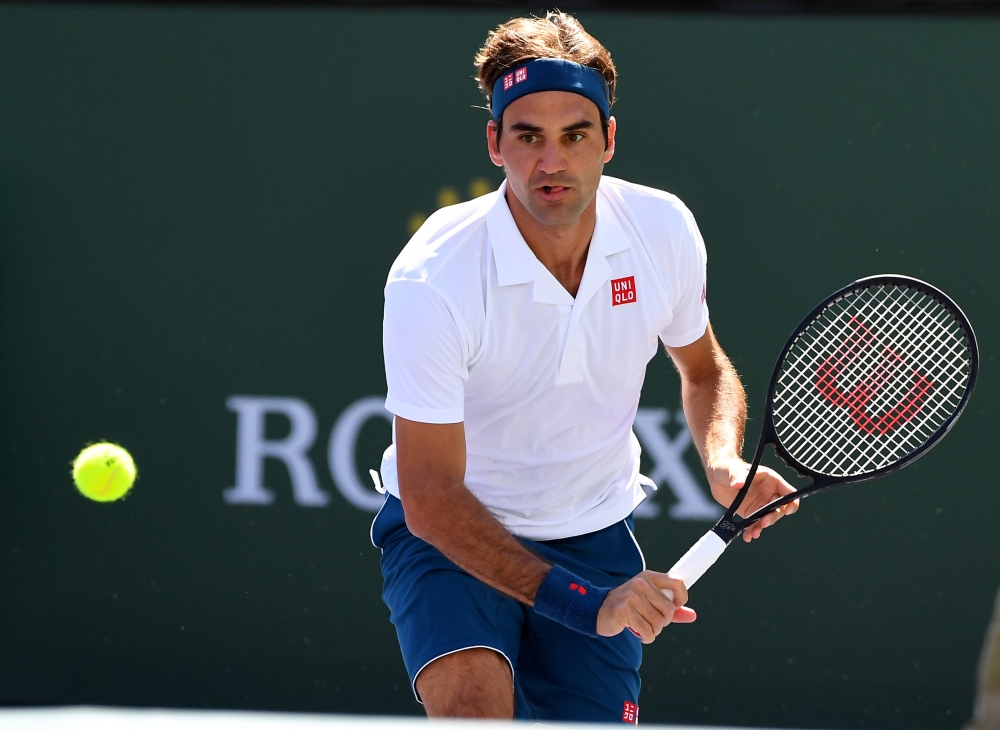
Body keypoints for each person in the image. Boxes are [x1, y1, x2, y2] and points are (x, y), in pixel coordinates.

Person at [372, 11, 799, 723]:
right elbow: (429, 495)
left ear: (608, 140)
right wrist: (586, 605)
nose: (552, 162)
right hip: (452, 540)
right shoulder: (435, 277)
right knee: (473, 705)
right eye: (528, 137)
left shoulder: (662, 230)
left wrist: (723, 460)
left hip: (594, 534)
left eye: (574, 135)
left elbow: (703, 368)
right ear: (494, 143)